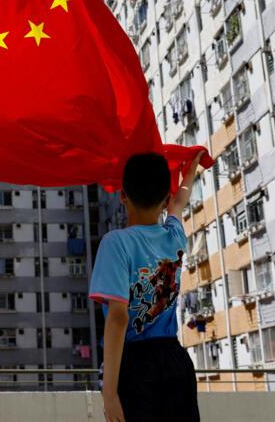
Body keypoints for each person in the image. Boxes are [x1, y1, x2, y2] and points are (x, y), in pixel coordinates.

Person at [90, 152, 204, 422]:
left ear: (122, 196)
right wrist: (189, 172)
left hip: (134, 367)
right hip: (175, 362)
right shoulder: (174, 235)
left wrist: (110, 395)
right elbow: (179, 202)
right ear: (164, 200)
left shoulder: (115, 243)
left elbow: (118, 317)